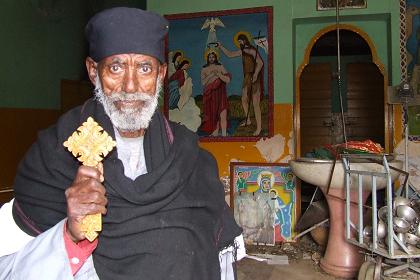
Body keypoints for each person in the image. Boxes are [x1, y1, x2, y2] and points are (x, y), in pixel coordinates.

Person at [0, 7, 244, 280]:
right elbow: (7, 269)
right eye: (116, 67)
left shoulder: (191, 158)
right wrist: (69, 234)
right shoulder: (54, 155)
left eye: (144, 68)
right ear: (94, 72)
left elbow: (222, 262)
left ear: (161, 75)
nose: (130, 86)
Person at [218, 33, 264, 136]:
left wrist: (256, 74)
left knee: (255, 103)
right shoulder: (242, 51)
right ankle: (248, 120)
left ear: (244, 40)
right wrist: (221, 46)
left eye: (240, 42)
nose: (239, 44)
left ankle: (259, 128)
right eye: (238, 42)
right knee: (244, 99)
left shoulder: (252, 50)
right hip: (247, 77)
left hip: (254, 77)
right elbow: (230, 54)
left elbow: (260, 63)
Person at [200, 50, 231, 136]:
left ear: (216, 58)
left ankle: (224, 134)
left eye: (213, 57)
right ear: (207, 58)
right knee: (214, 115)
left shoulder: (220, 66)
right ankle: (215, 133)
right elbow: (203, 82)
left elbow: (228, 79)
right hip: (211, 94)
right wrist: (211, 75)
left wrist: (219, 75)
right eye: (210, 57)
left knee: (222, 114)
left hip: (220, 93)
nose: (211, 59)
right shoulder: (204, 68)